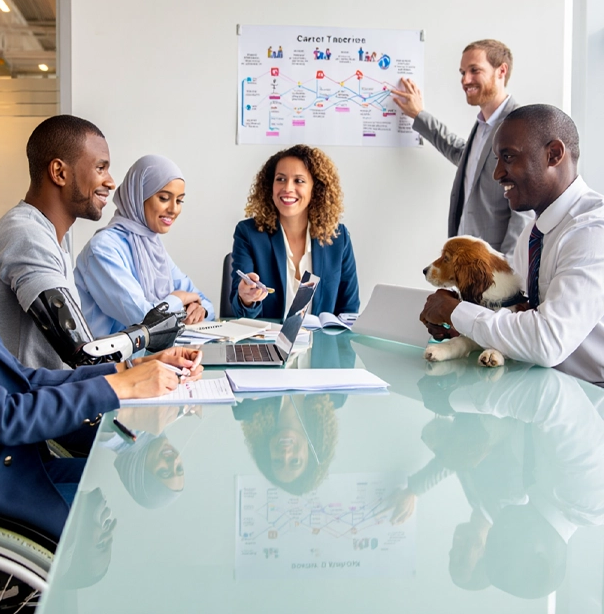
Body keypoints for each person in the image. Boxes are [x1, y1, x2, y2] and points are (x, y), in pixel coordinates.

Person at [0, 109, 202, 523]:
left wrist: (131, 367)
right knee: (138, 511)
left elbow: (17, 378)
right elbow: (4, 409)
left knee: (132, 488)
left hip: (1, 455)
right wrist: (120, 382)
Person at [421, 104, 604, 387]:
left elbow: (548, 340)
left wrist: (456, 312)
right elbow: (514, 315)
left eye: (508, 157)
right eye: (496, 159)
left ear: (553, 154)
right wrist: (458, 319)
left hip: (593, 400)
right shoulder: (533, 234)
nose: (496, 174)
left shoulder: (593, 231)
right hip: (549, 389)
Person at [0, 114, 118, 370]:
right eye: (101, 168)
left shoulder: (49, 235)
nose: (110, 182)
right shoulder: (27, 234)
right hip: (33, 403)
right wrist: (148, 339)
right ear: (59, 173)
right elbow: (83, 353)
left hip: (53, 398)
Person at [390, 39, 528, 258]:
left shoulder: (519, 125)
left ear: (501, 70)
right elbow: (460, 154)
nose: (465, 80)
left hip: (492, 269)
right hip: (466, 262)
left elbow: (524, 209)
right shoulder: (483, 125)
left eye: (475, 70)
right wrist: (419, 115)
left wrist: (506, 270)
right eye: (462, 72)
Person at [75, 154, 213, 337]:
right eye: (164, 198)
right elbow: (144, 320)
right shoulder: (103, 249)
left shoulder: (152, 246)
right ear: (138, 197)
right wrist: (180, 299)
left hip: (149, 358)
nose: (174, 209)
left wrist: (199, 308)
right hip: (111, 363)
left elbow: (205, 303)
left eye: (179, 201)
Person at [231, 144, 359, 320]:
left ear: (316, 188)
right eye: (280, 179)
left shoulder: (338, 237)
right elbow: (241, 312)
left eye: (299, 180)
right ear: (270, 185)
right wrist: (246, 299)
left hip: (320, 345)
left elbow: (349, 310)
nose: (287, 188)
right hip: (266, 343)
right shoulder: (249, 233)